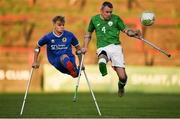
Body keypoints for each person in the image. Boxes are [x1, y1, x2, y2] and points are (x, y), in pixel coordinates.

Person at [81, 1, 142, 97]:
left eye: (110, 12)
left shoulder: (116, 19)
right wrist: (85, 46)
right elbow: (88, 34)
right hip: (102, 47)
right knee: (102, 56)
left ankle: (121, 86)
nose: (109, 14)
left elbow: (127, 31)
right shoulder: (94, 19)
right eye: (107, 12)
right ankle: (102, 64)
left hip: (116, 47)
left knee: (123, 77)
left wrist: (134, 33)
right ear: (101, 10)